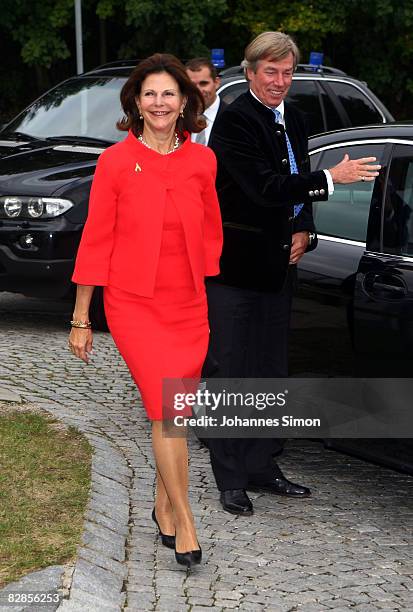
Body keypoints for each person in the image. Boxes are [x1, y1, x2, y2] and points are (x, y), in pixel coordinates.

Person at [206, 31, 381, 516]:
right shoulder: (236, 121)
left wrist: (305, 228)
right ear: (250, 72)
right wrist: (331, 178)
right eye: (271, 72)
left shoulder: (296, 119)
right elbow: (265, 187)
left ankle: (263, 466)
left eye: (287, 73)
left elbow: (294, 191)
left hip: (280, 268)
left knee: (270, 370)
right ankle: (231, 477)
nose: (280, 81)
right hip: (235, 271)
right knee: (231, 374)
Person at [68, 53, 223, 567]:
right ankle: (186, 521)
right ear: (136, 102)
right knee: (167, 411)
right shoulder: (114, 162)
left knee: (174, 413)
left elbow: (210, 229)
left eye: (169, 94)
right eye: (150, 94)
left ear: (185, 103)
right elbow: (95, 241)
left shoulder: (202, 161)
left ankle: (161, 505)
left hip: (188, 304)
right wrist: (81, 317)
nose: (159, 103)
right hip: (135, 305)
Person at [185, 58, 227, 146]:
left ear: (216, 83)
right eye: (192, 85)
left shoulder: (233, 118)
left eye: (203, 83)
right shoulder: (178, 119)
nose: (198, 90)